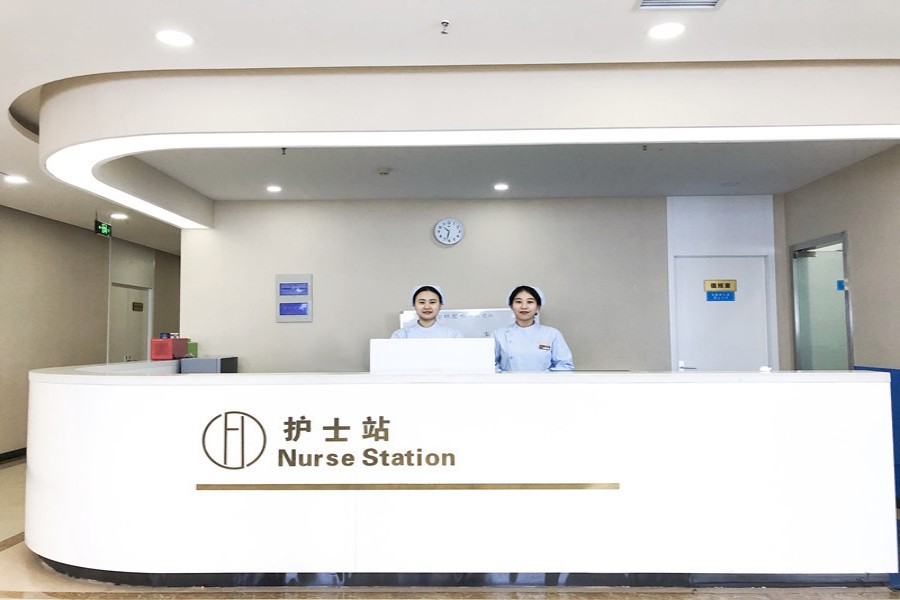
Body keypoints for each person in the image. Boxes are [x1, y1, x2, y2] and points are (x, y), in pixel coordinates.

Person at [492, 285, 574, 371]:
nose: (524, 306)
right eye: (518, 302)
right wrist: (505, 377)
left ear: (538, 307)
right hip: (509, 380)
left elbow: (565, 366)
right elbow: (490, 366)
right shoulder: (498, 335)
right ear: (511, 306)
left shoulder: (552, 334)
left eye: (530, 302)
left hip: (544, 380)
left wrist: (545, 377)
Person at [391, 285, 463, 339]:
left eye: (432, 302)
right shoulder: (400, 335)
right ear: (414, 305)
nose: (427, 307)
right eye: (422, 302)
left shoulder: (453, 335)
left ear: (440, 305)